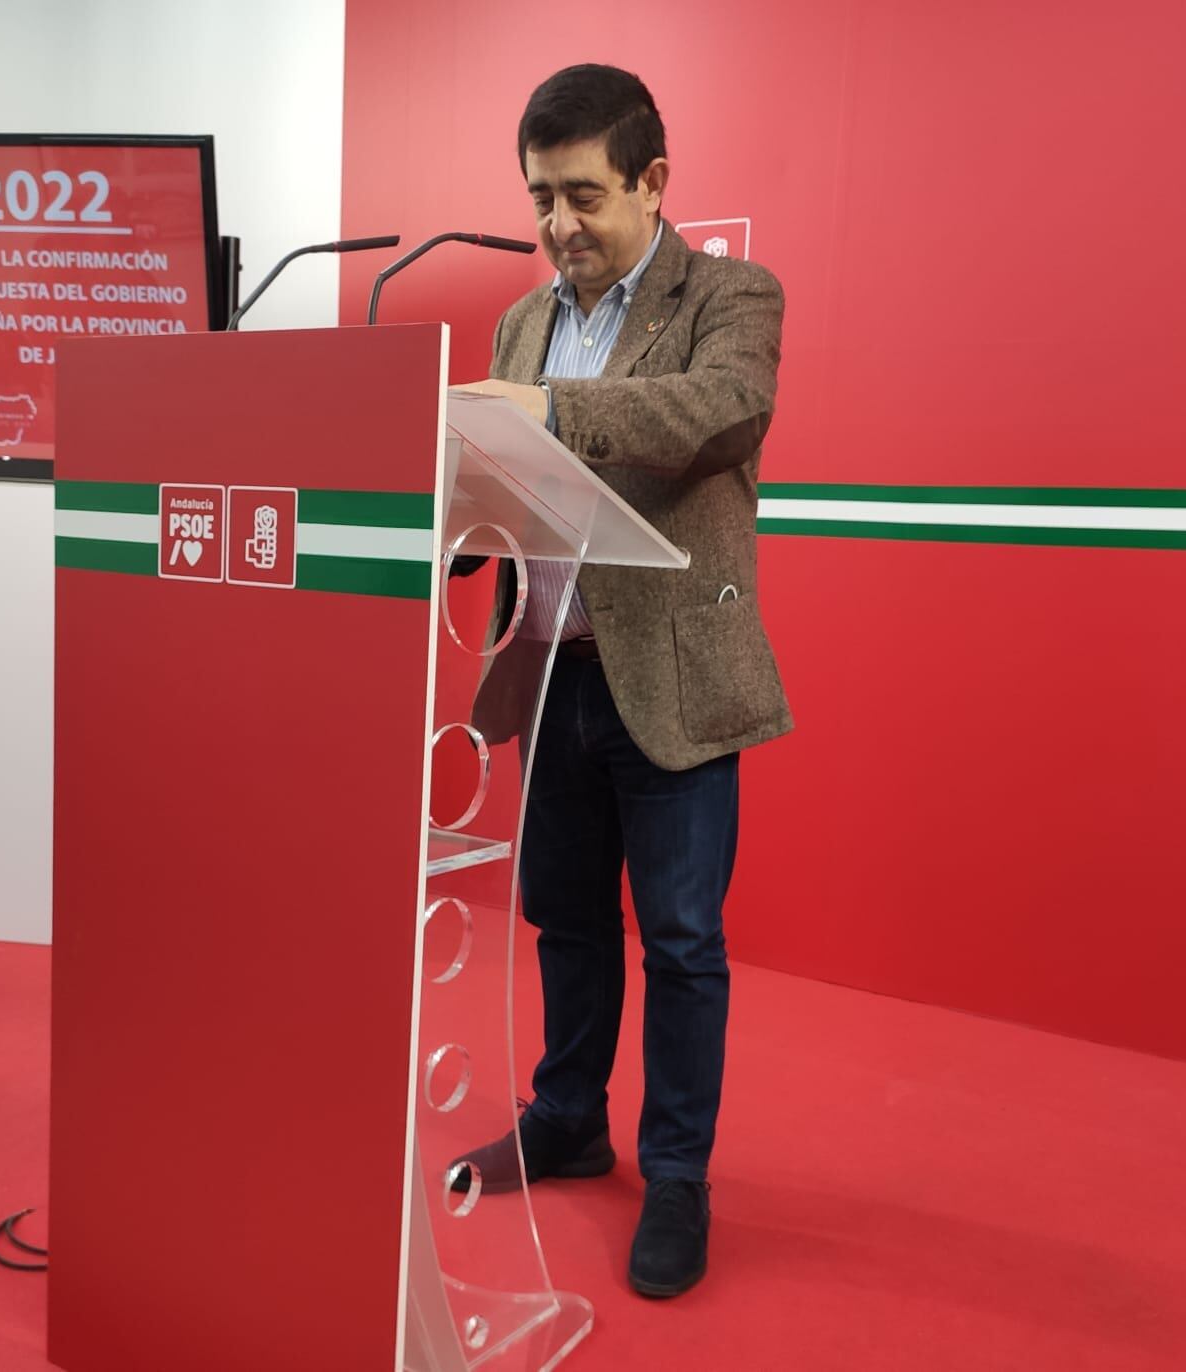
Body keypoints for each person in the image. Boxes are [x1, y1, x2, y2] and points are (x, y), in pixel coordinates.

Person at [448, 64, 791, 1300]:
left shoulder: (731, 295)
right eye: (540, 197)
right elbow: (505, 470)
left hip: (673, 676)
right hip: (548, 674)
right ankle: (566, 1115)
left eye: (582, 196)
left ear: (652, 180)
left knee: (684, 942)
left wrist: (540, 408)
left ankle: (678, 1174)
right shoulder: (519, 318)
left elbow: (715, 412)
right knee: (565, 916)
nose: (557, 226)